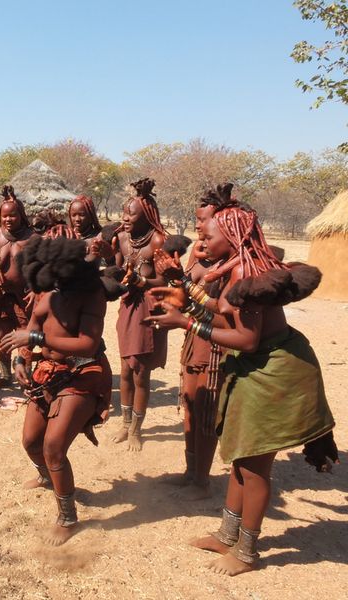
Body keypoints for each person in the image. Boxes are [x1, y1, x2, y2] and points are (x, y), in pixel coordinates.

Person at [146, 200, 337, 576]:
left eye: (210, 231)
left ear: (231, 236)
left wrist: (185, 323)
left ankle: (248, 552)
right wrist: (184, 292)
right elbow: (222, 309)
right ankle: (228, 534)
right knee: (242, 459)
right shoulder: (240, 270)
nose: (202, 235)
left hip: (272, 373)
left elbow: (245, 339)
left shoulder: (248, 278)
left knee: (254, 468)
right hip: (260, 368)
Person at [0, 236, 110, 546]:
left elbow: (87, 344)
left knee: (53, 447)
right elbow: (30, 332)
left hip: (82, 375)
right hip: (47, 374)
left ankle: (68, 518)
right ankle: (48, 477)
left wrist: (36, 339)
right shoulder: (47, 295)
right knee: (31, 442)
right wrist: (22, 361)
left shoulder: (92, 296)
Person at [153, 185, 233, 499]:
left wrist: (182, 288)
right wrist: (170, 285)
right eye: (197, 220)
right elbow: (186, 296)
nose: (198, 226)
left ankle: (202, 480)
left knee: (205, 410)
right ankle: (190, 472)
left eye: (204, 220)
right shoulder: (201, 257)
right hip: (193, 339)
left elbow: (220, 312)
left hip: (214, 345)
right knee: (189, 404)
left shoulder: (228, 264)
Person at [110, 178, 168, 451]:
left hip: (148, 309)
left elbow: (166, 282)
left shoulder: (158, 241)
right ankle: (124, 423)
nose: (125, 218)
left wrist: (143, 283)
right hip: (127, 307)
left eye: (131, 213)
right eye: (124, 212)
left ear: (146, 215)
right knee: (123, 369)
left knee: (140, 371)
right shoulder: (121, 238)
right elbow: (119, 271)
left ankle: (136, 429)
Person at [0, 186, 37, 387]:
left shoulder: (32, 237)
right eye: (5, 216)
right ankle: (5, 375)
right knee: (2, 335)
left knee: (25, 336)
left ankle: (25, 376)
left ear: (20, 215)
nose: (8, 219)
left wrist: (38, 287)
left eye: (13, 215)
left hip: (26, 297)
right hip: (2, 297)